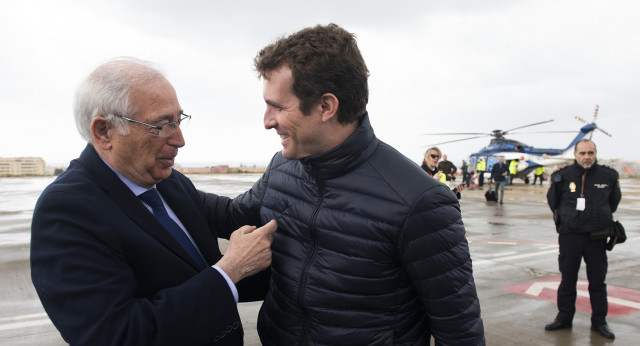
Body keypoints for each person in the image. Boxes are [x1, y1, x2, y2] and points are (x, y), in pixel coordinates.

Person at [221, 24, 485, 345]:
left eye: (277, 106)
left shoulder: (419, 201)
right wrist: (153, 175)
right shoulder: (284, 167)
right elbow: (232, 215)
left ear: (326, 106)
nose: (267, 120)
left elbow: (459, 330)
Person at [30, 58, 277, 346]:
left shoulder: (168, 181)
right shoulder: (66, 211)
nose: (179, 139)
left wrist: (293, 164)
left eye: (178, 120)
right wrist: (230, 269)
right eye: (161, 125)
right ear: (104, 132)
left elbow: (233, 216)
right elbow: (116, 335)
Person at [545, 139, 621, 340]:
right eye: (583, 153)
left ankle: (599, 322)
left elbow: (613, 203)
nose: (587, 157)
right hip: (570, 236)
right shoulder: (562, 176)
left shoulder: (609, 176)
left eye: (591, 153)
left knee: (597, 282)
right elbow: (553, 201)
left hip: (596, 237)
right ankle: (564, 317)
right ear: (575, 154)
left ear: (595, 154)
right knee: (567, 279)